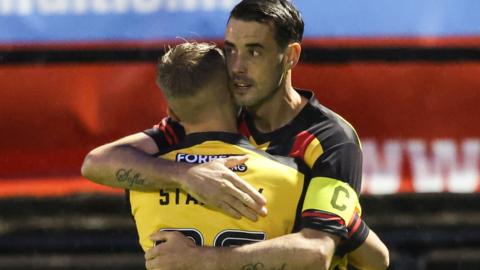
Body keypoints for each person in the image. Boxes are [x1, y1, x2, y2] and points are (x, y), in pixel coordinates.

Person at [81, 0, 389, 269]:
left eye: (254, 52)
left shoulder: (331, 138)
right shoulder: (219, 115)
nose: (237, 67)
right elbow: (97, 162)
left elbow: (318, 252)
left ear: (291, 55)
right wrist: (186, 176)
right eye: (231, 50)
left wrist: (202, 260)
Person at [129, 42, 359, 270]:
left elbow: (98, 162)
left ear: (171, 112)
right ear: (234, 94)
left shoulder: (139, 186)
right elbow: (376, 258)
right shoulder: (292, 176)